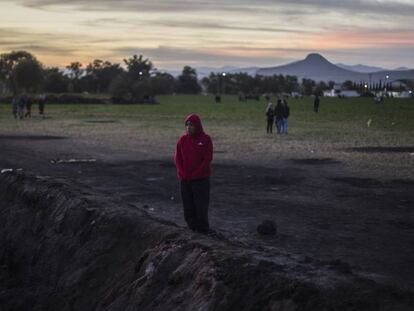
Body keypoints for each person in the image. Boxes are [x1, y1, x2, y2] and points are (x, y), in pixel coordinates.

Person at [174, 114, 213, 234]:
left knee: (201, 207)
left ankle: (203, 231)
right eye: (187, 125)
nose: (189, 127)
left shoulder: (206, 139)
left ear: (198, 125)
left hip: (200, 180)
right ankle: (192, 229)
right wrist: (182, 173)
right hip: (185, 180)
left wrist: (196, 174)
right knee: (188, 207)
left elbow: (207, 159)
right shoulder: (182, 140)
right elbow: (177, 158)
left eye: (191, 125)